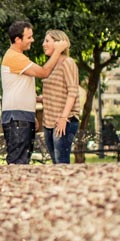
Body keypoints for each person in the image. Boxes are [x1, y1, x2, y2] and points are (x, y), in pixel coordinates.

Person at [1, 21, 68, 165]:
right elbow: (44, 72)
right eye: (29, 37)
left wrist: (34, 105)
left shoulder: (18, 57)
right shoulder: (15, 58)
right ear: (18, 40)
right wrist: (57, 51)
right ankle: (14, 187)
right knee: (18, 163)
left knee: (22, 161)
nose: (33, 40)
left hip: (21, 116)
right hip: (17, 118)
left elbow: (19, 88)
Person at [38, 30, 80, 164]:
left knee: (61, 163)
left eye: (47, 41)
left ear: (59, 43)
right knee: (56, 164)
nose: (43, 44)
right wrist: (39, 98)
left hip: (64, 122)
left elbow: (72, 92)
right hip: (49, 122)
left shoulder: (68, 63)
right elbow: (57, 91)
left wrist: (63, 118)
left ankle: (68, 185)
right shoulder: (51, 65)